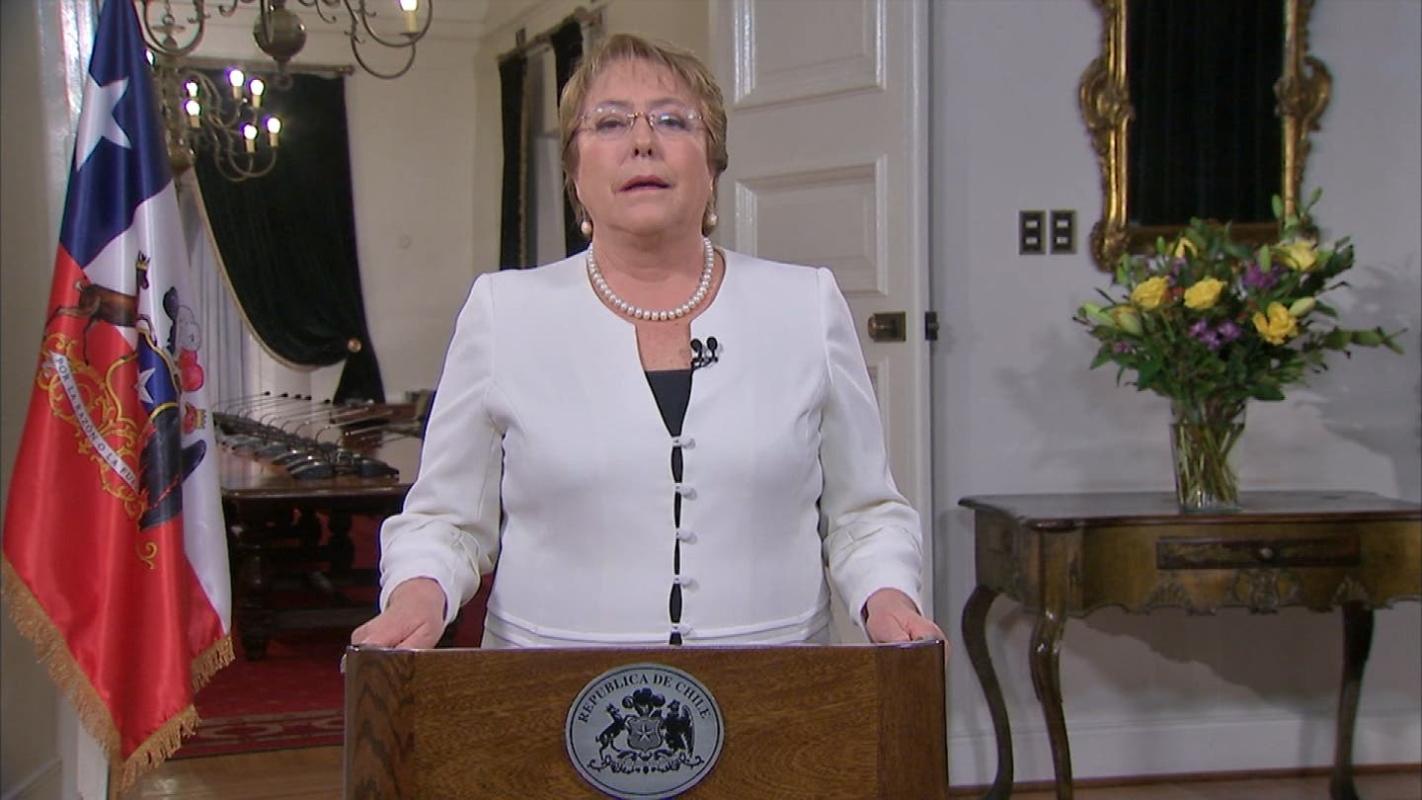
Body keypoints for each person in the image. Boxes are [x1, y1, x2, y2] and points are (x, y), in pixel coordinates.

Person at [352, 33, 944, 650]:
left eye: (672, 120)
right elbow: (445, 521)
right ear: (575, 175)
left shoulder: (805, 304)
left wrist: (888, 596)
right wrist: (419, 592)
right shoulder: (504, 313)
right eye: (610, 123)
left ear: (712, 166)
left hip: (773, 682)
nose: (642, 141)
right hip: (552, 684)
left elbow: (864, 515)